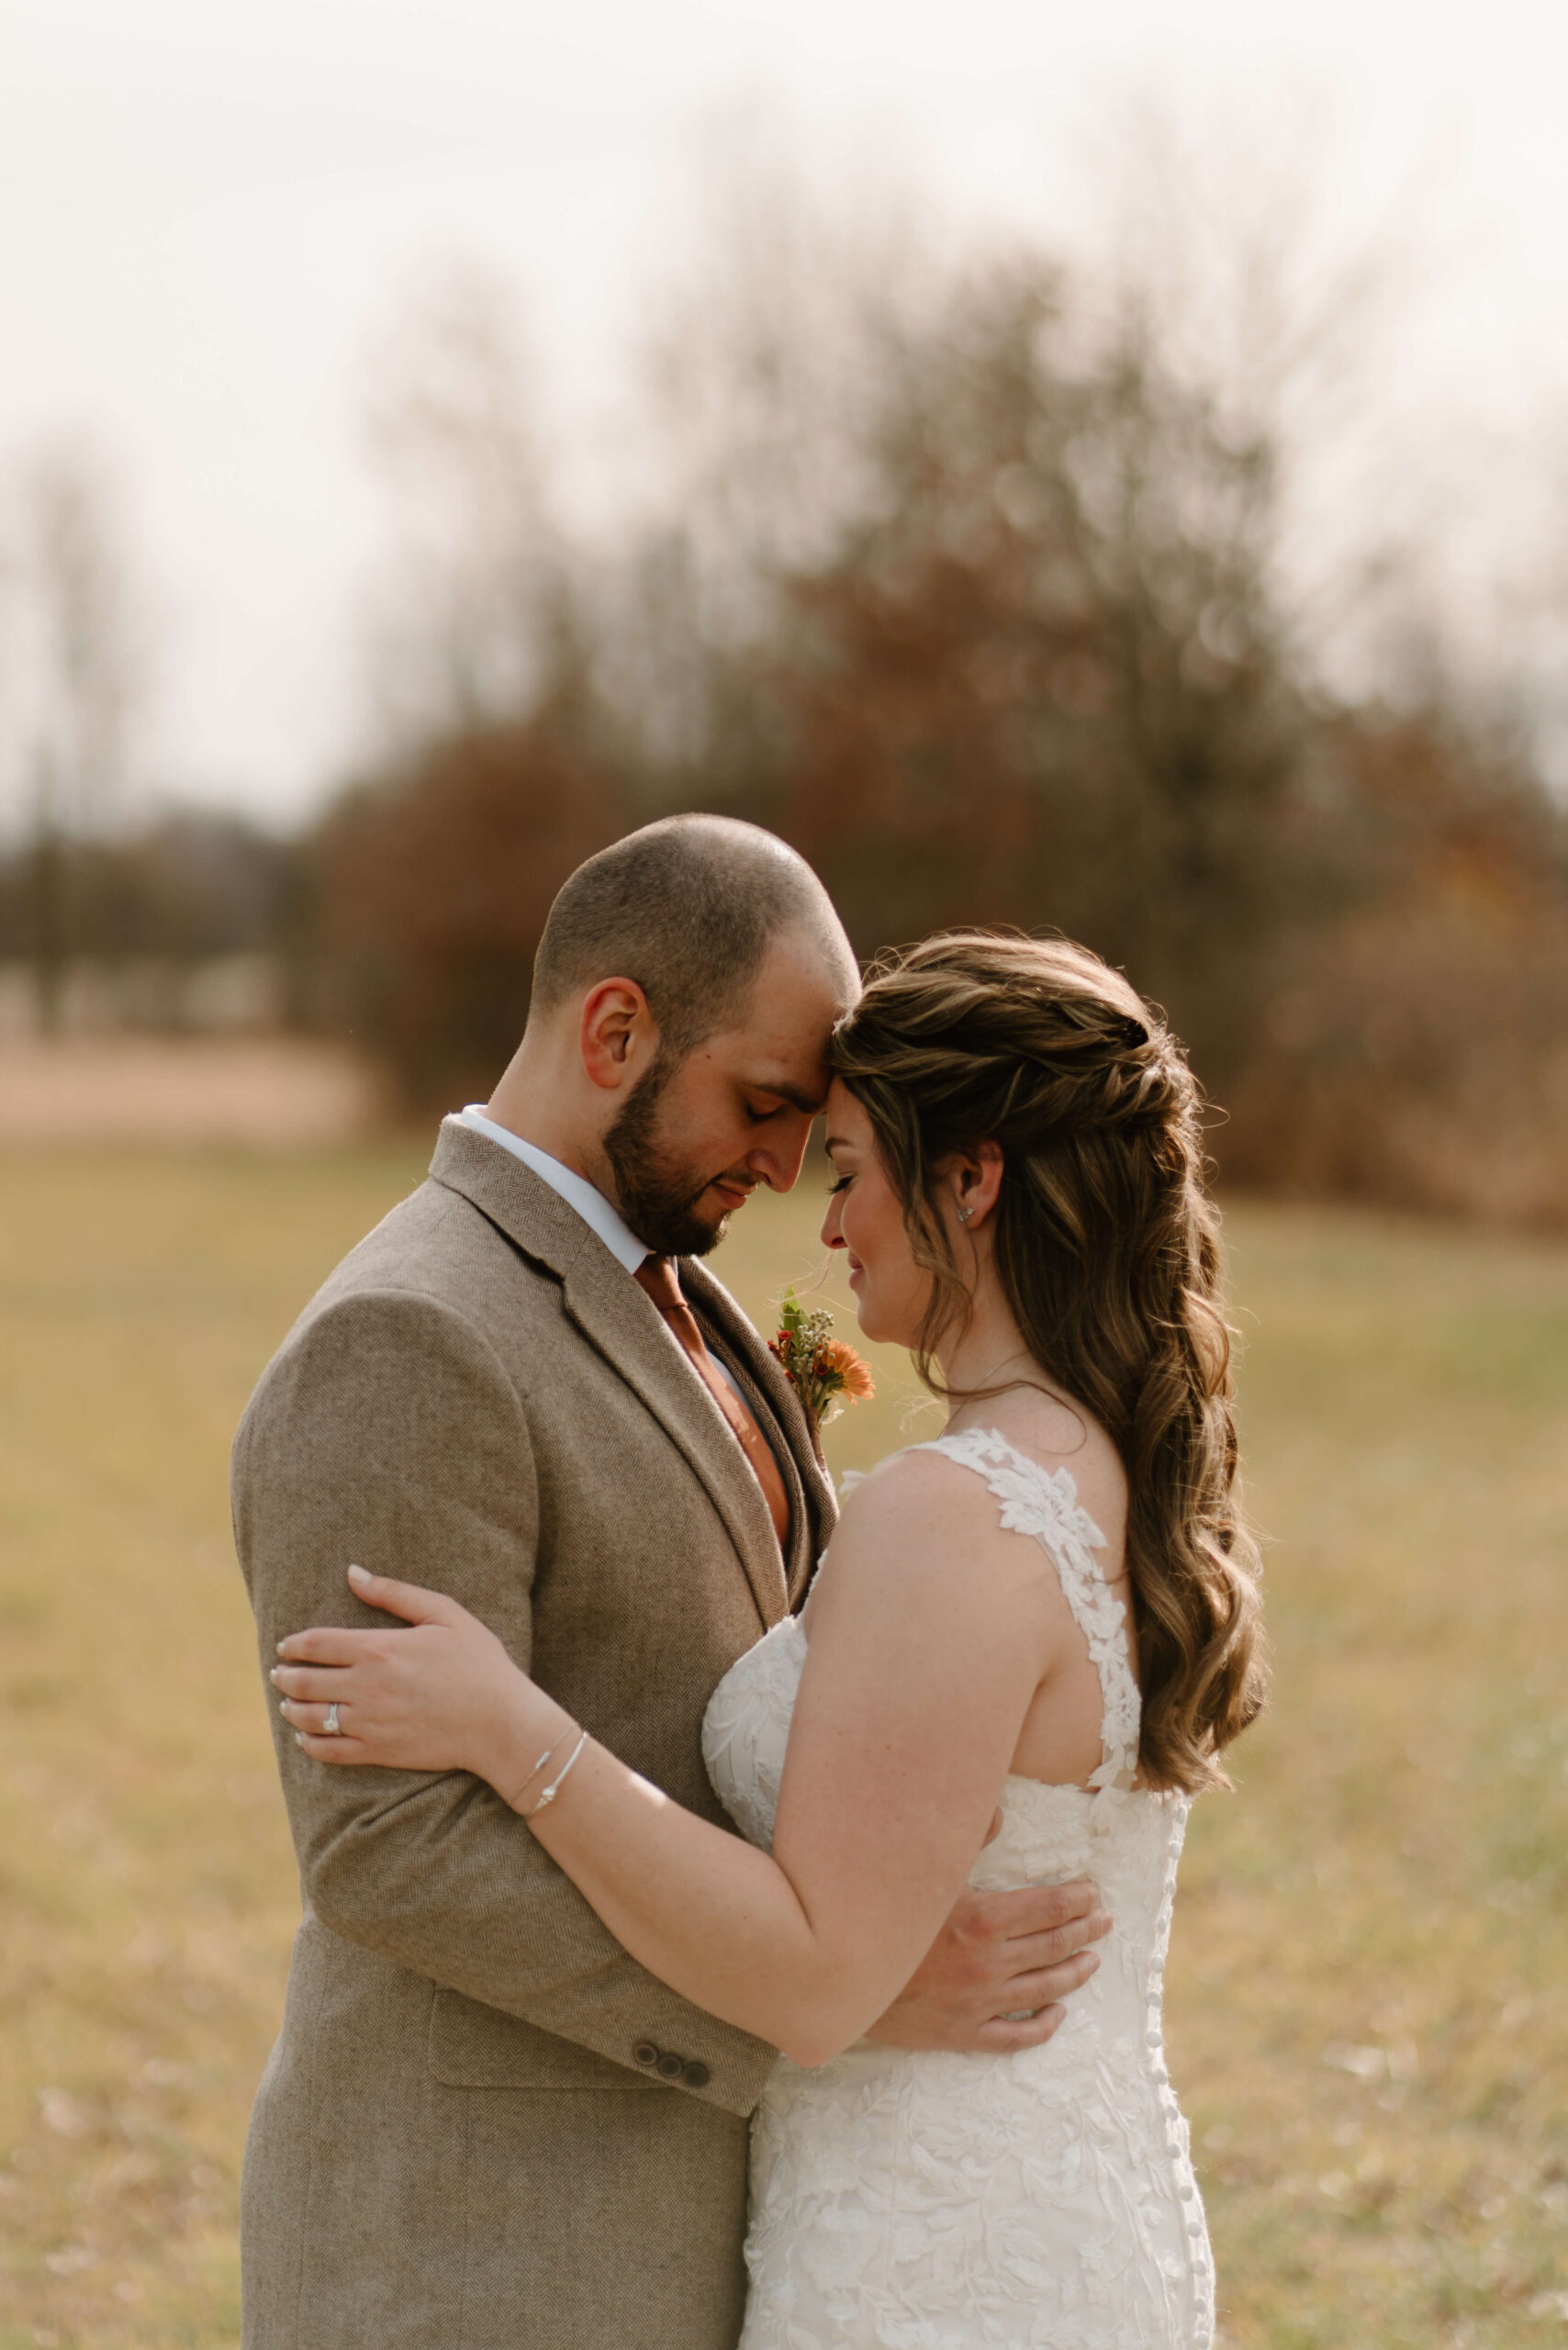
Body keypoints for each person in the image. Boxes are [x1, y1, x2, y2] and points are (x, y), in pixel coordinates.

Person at [274, 926, 1268, 2350]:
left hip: (931, 2257)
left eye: (856, 1172)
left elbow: (813, 1980)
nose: (825, 1222)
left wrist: (509, 1725)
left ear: (971, 1182)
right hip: (1066, 2206)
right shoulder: (1106, 1466)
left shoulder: (952, 1512)